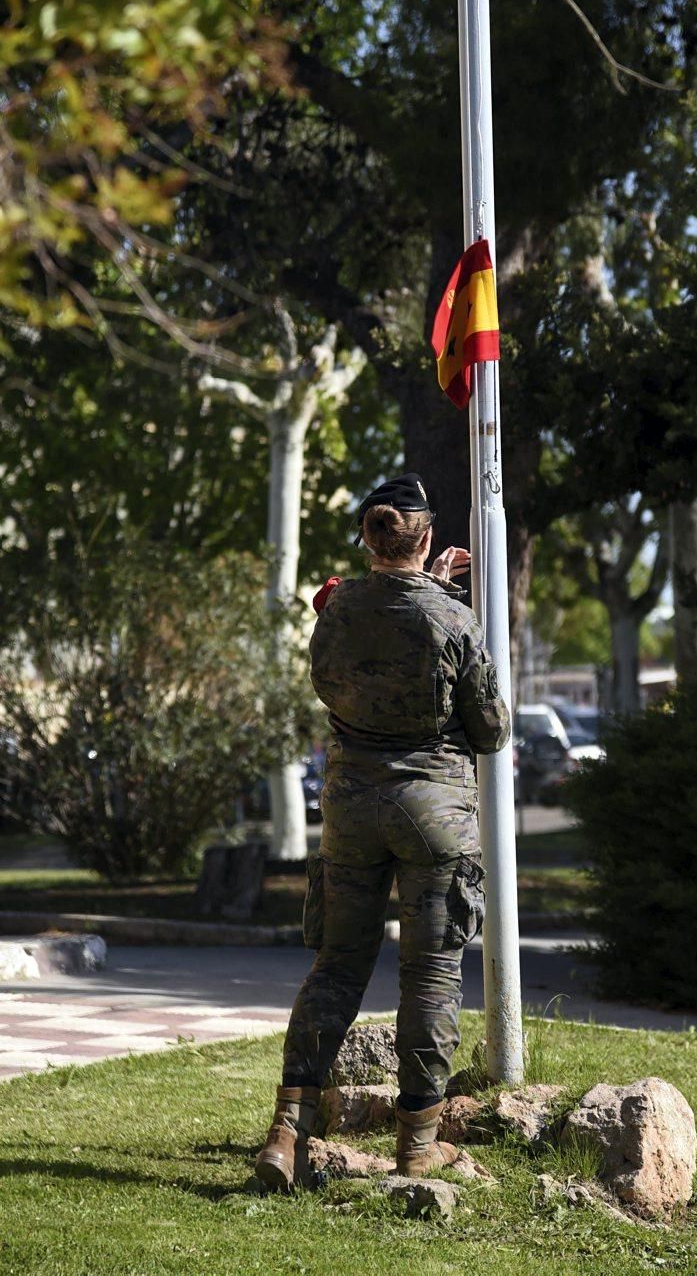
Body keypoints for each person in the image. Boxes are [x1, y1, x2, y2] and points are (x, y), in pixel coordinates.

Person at [254, 472, 510, 1191]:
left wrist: (421, 582)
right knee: (430, 974)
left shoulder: (335, 609)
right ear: (425, 537)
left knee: (336, 966)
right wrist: (436, 593)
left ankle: (287, 1135)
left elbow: (330, 683)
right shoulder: (453, 620)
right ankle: (418, 1145)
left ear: (369, 536)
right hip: (433, 815)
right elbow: (490, 730)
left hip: (348, 807)